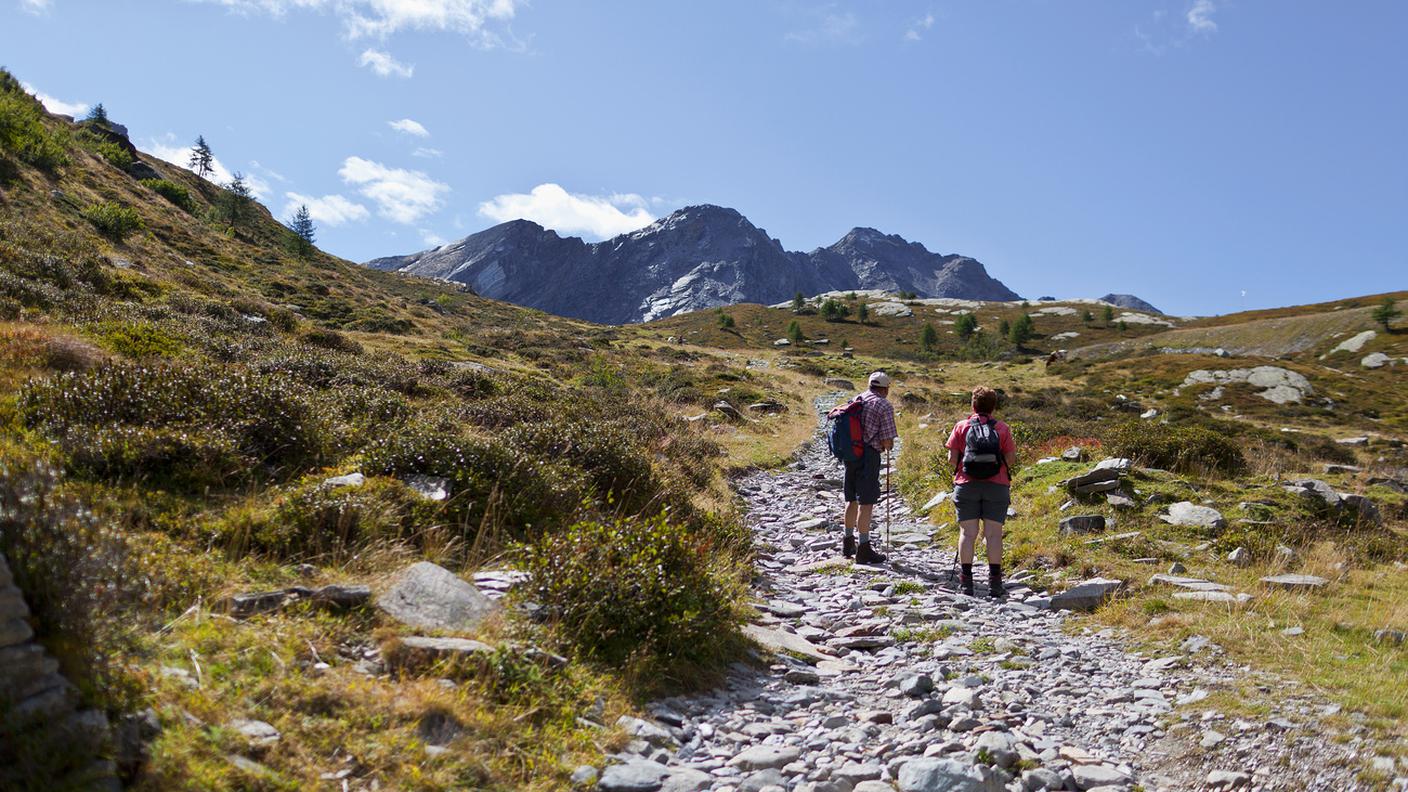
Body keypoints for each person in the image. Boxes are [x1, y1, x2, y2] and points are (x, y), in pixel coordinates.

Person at [944, 386, 1018, 597]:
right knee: (994, 534)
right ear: (993, 407)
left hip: (966, 484)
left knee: (968, 533)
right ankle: (995, 583)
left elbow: (952, 460)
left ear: (973, 405)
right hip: (997, 486)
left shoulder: (961, 426)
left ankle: (966, 583)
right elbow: (1011, 459)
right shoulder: (1002, 428)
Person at [841, 371, 897, 565]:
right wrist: (887, 446)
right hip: (869, 456)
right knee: (866, 502)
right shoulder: (884, 405)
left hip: (851, 455)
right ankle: (864, 549)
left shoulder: (857, 398)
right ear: (885, 388)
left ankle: (848, 543)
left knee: (851, 498)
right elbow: (887, 440)